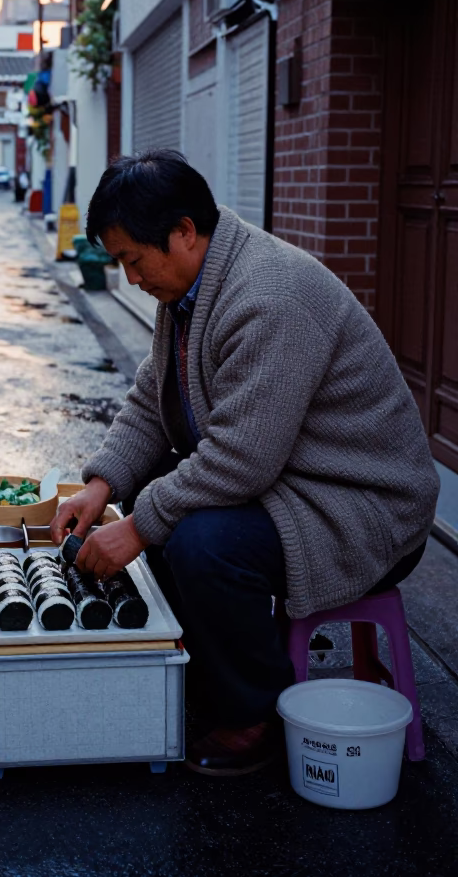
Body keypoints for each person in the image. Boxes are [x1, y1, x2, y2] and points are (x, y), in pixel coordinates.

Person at [50, 150, 439, 777]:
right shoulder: (191, 285)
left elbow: (241, 461)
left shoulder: (268, 296)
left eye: (132, 259)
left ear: (182, 231)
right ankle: (205, 665)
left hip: (364, 505)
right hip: (296, 481)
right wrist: (101, 487)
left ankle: (255, 712)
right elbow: (156, 397)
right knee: (155, 499)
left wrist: (138, 525)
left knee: (203, 541)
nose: (130, 278)